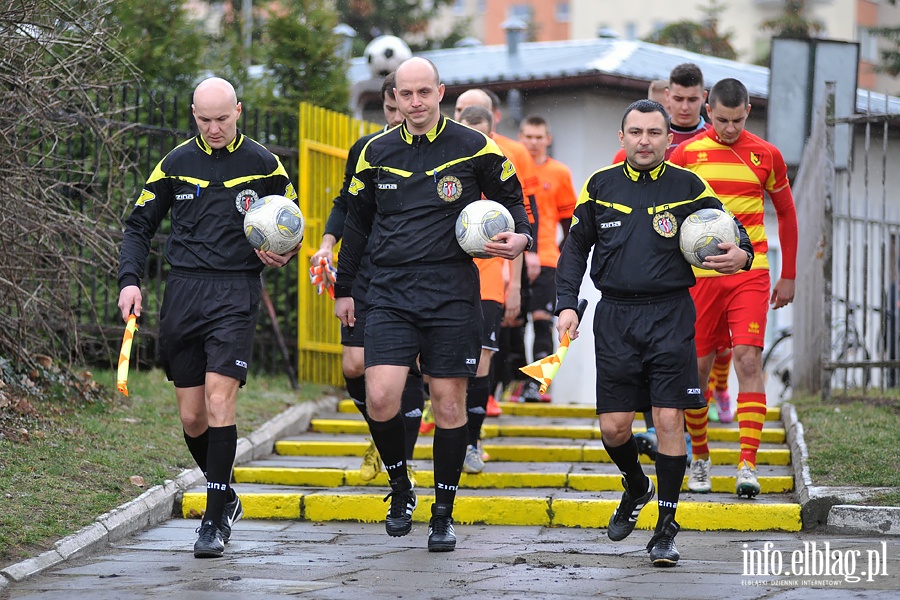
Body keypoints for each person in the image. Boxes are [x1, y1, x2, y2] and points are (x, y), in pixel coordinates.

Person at [334, 57, 533, 552]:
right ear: (395, 98)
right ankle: (400, 487)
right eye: (407, 94)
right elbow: (356, 224)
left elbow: (512, 197)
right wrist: (344, 288)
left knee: (448, 404)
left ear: (441, 92)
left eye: (425, 92)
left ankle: (443, 512)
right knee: (380, 395)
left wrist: (521, 236)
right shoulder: (372, 151)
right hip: (390, 292)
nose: (416, 102)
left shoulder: (473, 146)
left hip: (450, 292)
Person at [555, 99, 753, 566]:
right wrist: (566, 304)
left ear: (669, 138)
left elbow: (735, 231)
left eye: (653, 133)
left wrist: (741, 255)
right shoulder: (599, 186)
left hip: (670, 315)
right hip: (616, 318)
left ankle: (666, 527)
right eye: (636, 132)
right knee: (614, 426)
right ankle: (636, 484)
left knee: (668, 419)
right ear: (621, 137)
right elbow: (573, 251)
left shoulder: (689, 186)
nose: (644, 141)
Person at [117, 77, 299, 559]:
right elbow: (138, 225)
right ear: (193, 114)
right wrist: (130, 280)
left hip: (237, 291)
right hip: (183, 290)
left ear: (238, 110)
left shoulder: (263, 163)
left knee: (221, 404)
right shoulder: (175, 163)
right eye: (205, 119)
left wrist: (288, 250)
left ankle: (214, 520)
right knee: (193, 415)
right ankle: (228, 494)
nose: (214, 128)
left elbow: (290, 220)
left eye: (223, 118)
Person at [669, 78, 798, 498]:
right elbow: (667, 218)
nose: (729, 128)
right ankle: (701, 457)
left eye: (737, 120)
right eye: (722, 120)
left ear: (748, 113)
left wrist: (789, 274)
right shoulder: (685, 155)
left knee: (746, 360)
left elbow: (788, 215)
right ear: (709, 111)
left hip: (750, 273)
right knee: (698, 372)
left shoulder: (766, 154)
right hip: (699, 280)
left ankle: (747, 464)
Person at [309, 73, 423, 484]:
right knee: (355, 365)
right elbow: (345, 203)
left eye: (403, 108)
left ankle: (399, 461)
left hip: (412, 274)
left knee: (402, 365)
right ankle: (383, 428)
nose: (398, 117)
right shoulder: (367, 149)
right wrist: (326, 244)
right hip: (366, 268)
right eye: (392, 109)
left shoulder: (430, 149)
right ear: (386, 106)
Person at [628, 64, 717, 460]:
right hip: (636, 289)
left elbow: (721, 215)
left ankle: (691, 430)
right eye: (676, 98)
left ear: (704, 101)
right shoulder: (627, 155)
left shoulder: (707, 147)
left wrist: (742, 250)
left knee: (708, 354)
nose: (683, 106)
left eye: (691, 99)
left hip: (695, 275)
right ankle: (655, 429)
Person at [454, 88, 541, 403]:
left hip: (493, 265)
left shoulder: (512, 154)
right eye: (462, 107)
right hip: (447, 268)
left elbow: (524, 215)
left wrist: (516, 279)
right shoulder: (441, 153)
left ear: (493, 122)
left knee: (484, 351)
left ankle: (473, 435)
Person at [457, 105, 524, 472]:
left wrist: (514, 288)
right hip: (449, 279)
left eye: (486, 136)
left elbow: (518, 229)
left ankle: (471, 442)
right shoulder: (446, 172)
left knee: (481, 360)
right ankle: (451, 430)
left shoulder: (501, 172)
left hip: (490, 280)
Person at [517, 114, 577, 402]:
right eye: (528, 136)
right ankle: (515, 381)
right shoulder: (511, 168)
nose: (533, 142)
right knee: (514, 322)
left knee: (542, 320)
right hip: (514, 257)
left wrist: (565, 258)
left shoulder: (559, 173)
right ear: (521, 138)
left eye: (539, 137)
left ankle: (537, 384)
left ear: (548, 140)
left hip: (547, 259)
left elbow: (569, 223)